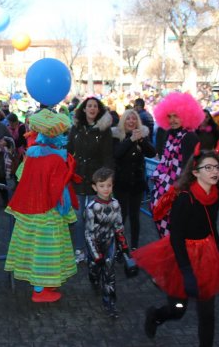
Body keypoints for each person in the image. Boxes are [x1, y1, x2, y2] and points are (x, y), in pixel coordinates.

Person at [134, 148, 219, 346]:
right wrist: (186, 271)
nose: (215, 171)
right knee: (178, 309)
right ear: (195, 172)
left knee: (207, 313)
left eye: (217, 167)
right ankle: (156, 316)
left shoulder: (215, 195)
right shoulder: (184, 198)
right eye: (208, 167)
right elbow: (176, 236)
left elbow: (211, 226)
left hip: (207, 255)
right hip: (181, 255)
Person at [5, 109, 78, 303]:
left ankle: (44, 284)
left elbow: (21, 176)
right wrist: (67, 208)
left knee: (32, 246)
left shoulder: (32, 154)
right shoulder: (56, 159)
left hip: (30, 209)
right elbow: (59, 188)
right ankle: (41, 289)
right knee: (47, 249)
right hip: (49, 211)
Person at [67, 97, 114, 262]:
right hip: (79, 177)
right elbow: (69, 150)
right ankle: (80, 250)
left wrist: (106, 178)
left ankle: (94, 249)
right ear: (84, 109)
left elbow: (108, 156)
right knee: (79, 217)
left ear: (99, 110)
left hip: (97, 180)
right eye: (89, 106)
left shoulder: (104, 130)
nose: (92, 108)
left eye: (95, 106)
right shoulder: (76, 128)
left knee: (94, 218)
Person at [150, 92, 202, 238]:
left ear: (186, 116)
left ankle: (174, 253)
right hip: (164, 185)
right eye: (169, 116)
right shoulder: (170, 134)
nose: (172, 120)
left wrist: (178, 190)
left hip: (178, 189)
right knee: (162, 220)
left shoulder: (190, 137)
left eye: (176, 116)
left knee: (175, 227)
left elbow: (189, 167)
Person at [84, 167, 132, 318]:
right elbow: (89, 233)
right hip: (95, 244)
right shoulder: (91, 208)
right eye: (102, 185)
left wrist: (124, 245)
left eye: (109, 185)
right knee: (95, 268)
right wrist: (96, 254)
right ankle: (93, 276)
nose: (106, 189)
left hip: (110, 242)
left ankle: (110, 303)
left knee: (109, 274)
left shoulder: (116, 205)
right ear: (94, 187)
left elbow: (118, 226)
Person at [111, 109, 156, 250]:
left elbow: (152, 152)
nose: (131, 121)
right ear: (124, 120)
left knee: (135, 216)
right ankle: (120, 247)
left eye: (134, 119)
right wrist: (130, 140)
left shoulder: (142, 135)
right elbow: (116, 153)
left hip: (137, 182)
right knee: (121, 216)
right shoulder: (116, 135)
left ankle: (135, 247)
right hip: (121, 182)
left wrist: (141, 140)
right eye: (128, 118)